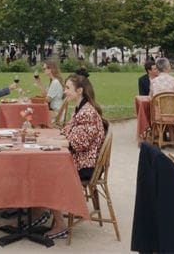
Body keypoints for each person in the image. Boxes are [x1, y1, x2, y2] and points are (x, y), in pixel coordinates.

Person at [45, 69, 107, 239]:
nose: (64, 91)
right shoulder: (80, 107)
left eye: (67, 88)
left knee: (46, 174)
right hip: (82, 159)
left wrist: (49, 142)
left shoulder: (87, 112)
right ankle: (42, 213)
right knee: (44, 166)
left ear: (79, 91)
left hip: (86, 165)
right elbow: (68, 132)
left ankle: (60, 225)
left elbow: (76, 144)